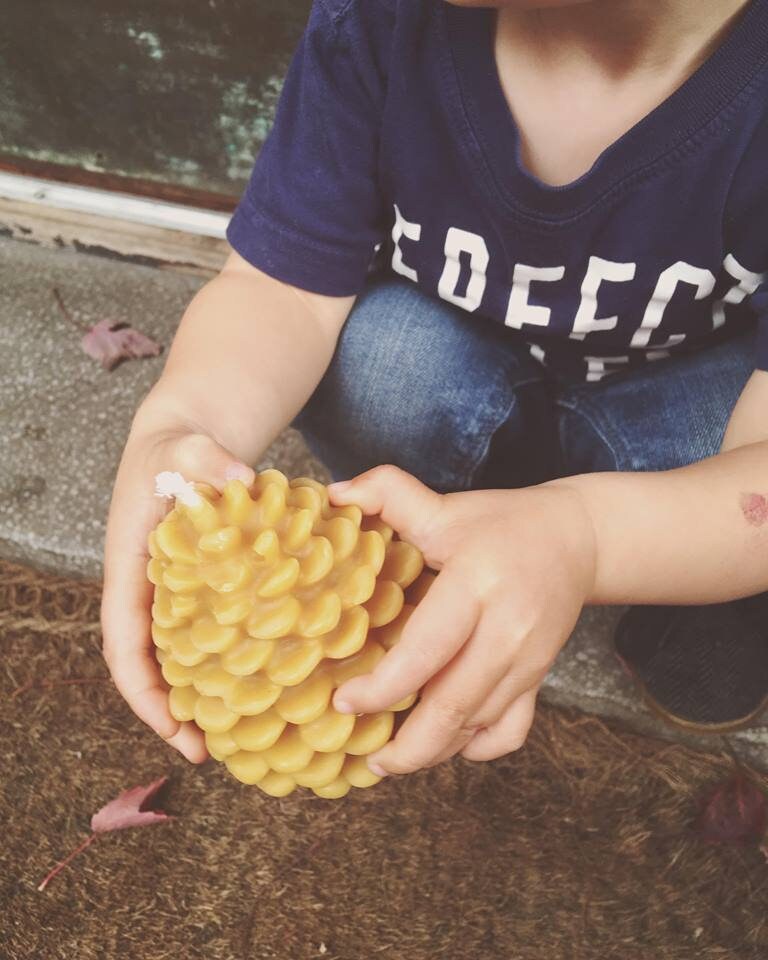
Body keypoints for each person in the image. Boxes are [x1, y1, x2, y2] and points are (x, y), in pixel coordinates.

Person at [102, 0, 768, 779]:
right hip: (469, 370)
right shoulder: (380, 24)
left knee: (731, 503)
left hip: (695, 412)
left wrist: (584, 539)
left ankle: (692, 590)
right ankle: (464, 541)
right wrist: (179, 421)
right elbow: (281, 289)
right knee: (370, 365)